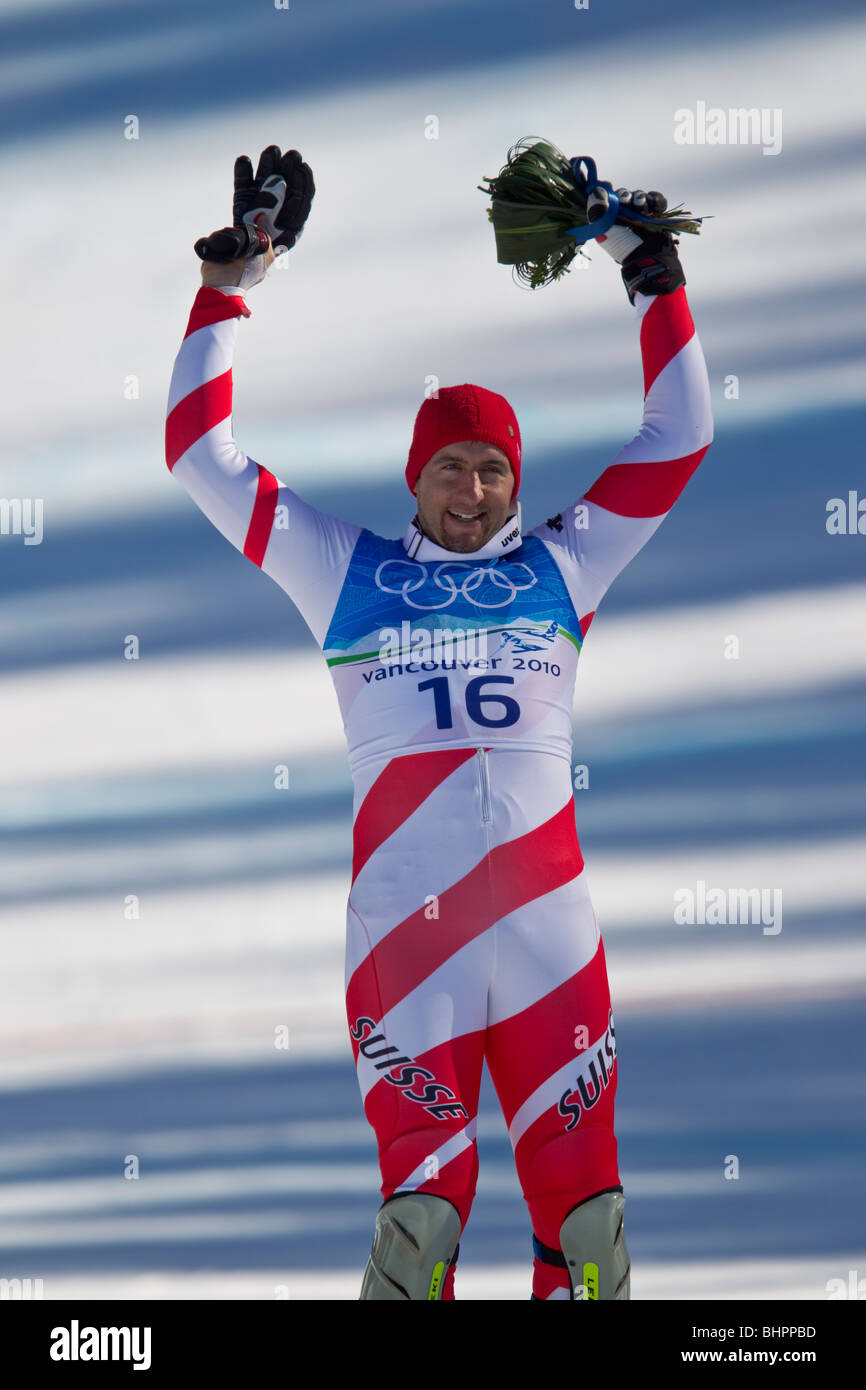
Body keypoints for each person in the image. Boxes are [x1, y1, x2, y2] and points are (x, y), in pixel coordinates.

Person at [165, 146, 713, 1300]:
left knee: (589, 1227)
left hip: (547, 929)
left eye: (493, 471)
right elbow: (199, 457)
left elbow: (677, 435)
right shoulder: (344, 570)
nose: (473, 491)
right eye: (451, 470)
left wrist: (648, 275)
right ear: (415, 480)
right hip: (405, 936)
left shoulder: (565, 563)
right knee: (419, 1228)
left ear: (518, 483)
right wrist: (228, 294)